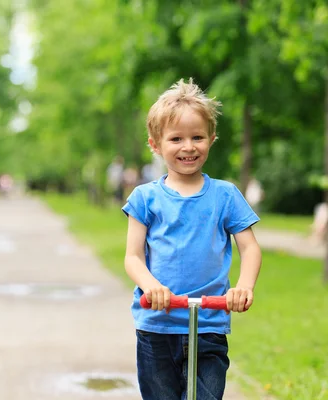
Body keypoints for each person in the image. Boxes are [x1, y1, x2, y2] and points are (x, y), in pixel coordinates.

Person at [122, 78, 262, 400]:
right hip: (158, 324)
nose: (188, 146)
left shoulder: (225, 196)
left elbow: (250, 247)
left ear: (211, 140)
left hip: (209, 323)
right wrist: (151, 286)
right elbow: (133, 256)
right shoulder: (145, 198)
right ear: (155, 145)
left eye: (197, 137)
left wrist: (244, 286)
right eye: (176, 139)